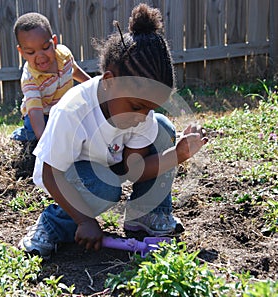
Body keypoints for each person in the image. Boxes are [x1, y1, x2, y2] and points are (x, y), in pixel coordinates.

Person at [19, 3, 208, 259]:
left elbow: (134, 168)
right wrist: (84, 220)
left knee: (163, 128)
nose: (141, 116)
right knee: (106, 189)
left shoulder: (141, 115)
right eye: (136, 106)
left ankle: (147, 214)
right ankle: (52, 224)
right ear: (108, 83)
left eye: (149, 108)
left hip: (108, 165)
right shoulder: (73, 110)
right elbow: (51, 174)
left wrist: (178, 154)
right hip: (67, 178)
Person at [10, 12, 90, 142]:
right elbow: (35, 111)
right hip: (41, 114)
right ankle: (21, 134)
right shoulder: (30, 79)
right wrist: (44, 141)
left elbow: (74, 71)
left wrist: (91, 83)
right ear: (22, 52)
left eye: (46, 47)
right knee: (34, 134)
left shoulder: (64, 55)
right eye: (31, 52)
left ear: (54, 42)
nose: (40, 56)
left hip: (62, 110)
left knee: (77, 129)